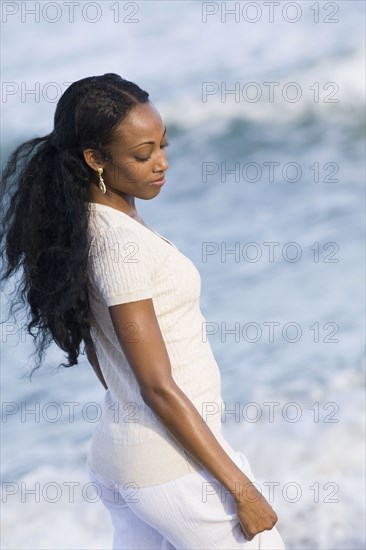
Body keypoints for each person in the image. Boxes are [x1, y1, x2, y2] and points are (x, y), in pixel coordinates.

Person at [0, 73, 286, 550]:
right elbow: (155, 383)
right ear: (95, 159)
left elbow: (102, 354)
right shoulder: (118, 246)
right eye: (142, 154)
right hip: (170, 470)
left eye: (162, 146)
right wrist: (242, 489)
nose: (162, 163)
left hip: (127, 461)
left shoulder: (89, 228)